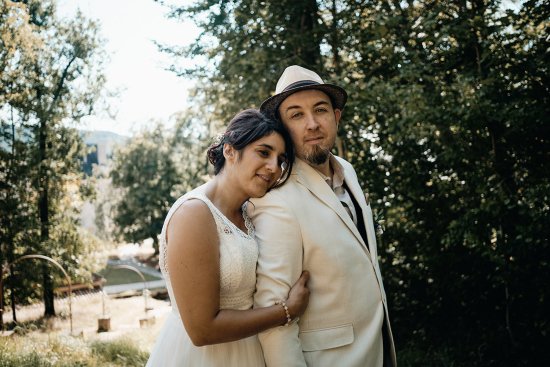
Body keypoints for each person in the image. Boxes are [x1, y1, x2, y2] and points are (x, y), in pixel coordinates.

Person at [249, 65, 397, 367]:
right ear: (281, 127)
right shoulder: (277, 200)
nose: (313, 124)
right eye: (296, 115)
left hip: (377, 350)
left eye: (321, 110)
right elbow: (275, 318)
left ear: (336, 116)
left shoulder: (348, 171)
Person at [146, 109, 310, 367]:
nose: (274, 168)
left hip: (248, 354)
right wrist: (287, 311)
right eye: (264, 152)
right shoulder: (194, 213)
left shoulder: (248, 212)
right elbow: (202, 330)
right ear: (230, 150)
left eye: (281, 159)